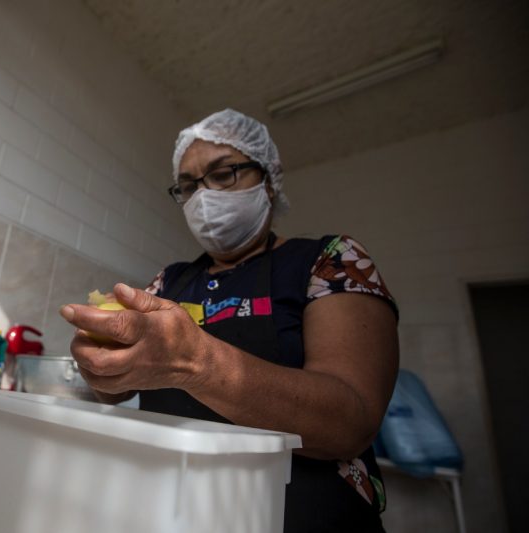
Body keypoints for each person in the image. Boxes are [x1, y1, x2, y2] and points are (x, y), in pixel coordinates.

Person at [59, 109, 399, 532]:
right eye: (188, 186)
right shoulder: (169, 280)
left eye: (223, 174)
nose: (204, 196)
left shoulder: (331, 261)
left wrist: (197, 363)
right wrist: (103, 366)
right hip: (173, 512)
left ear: (268, 181)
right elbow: (120, 391)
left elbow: (350, 423)